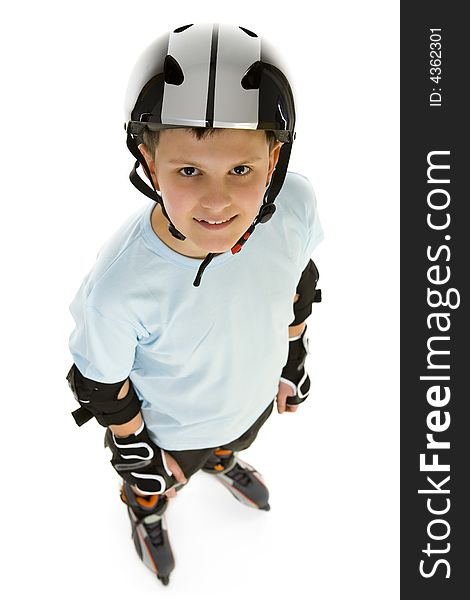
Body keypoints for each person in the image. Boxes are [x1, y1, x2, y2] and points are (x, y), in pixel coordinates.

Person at [66, 22, 323, 586]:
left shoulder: (295, 204)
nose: (216, 201)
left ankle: (224, 459)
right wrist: (138, 457)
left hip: (250, 395)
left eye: (241, 170)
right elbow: (103, 384)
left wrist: (293, 357)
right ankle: (146, 514)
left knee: (237, 435)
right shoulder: (118, 287)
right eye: (188, 170)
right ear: (149, 161)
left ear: (275, 159)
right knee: (158, 487)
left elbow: (297, 279)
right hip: (174, 431)